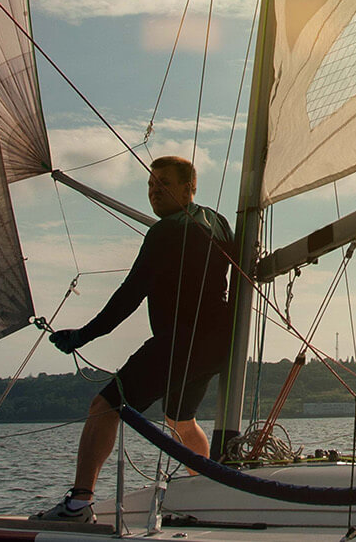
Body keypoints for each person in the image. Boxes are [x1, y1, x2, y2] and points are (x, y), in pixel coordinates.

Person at [34, 157, 236, 522]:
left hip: (181, 343)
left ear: (190, 187)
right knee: (180, 419)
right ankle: (207, 491)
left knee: (104, 406)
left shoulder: (165, 232)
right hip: (217, 346)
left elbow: (130, 294)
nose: (154, 191)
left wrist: (82, 336)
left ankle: (78, 504)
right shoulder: (218, 222)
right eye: (150, 185)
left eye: (164, 183)